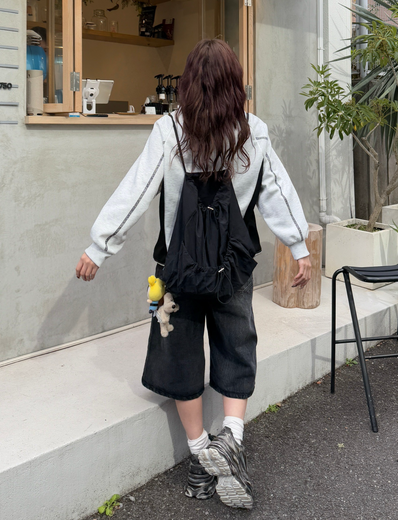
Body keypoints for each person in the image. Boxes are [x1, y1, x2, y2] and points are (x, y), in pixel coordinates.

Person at [76, 39, 311, 510]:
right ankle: (232, 442)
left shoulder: (170, 130)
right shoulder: (253, 132)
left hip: (175, 270)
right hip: (233, 266)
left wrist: (99, 247)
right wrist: (298, 244)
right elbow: (276, 192)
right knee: (237, 346)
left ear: (187, 84)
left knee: (179, 356)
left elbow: (136, 190)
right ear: (235, 83)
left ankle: (201, 456)